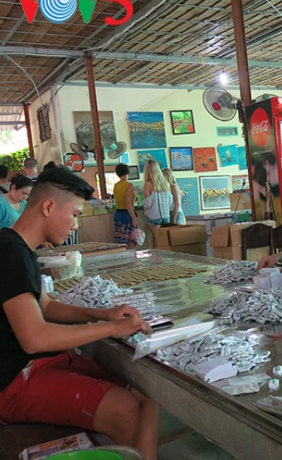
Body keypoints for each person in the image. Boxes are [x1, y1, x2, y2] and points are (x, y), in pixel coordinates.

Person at [0, 168, 159, 459]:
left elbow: (46, 306)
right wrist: (111, 329)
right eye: (74, 214)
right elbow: (35, 338)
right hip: (14, 380)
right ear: (48, 207)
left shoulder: (21, 249)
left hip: (40, 364)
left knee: (148, 394)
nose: (75, 225)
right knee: (124, 409)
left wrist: (103, 314)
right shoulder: (9, 253)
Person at [143, 160, 172, 248]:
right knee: (165, 240)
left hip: (154, 216)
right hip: (166, 216)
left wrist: (145, 209)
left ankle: (156, 256)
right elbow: (170, 201)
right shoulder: (165, 183)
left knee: (156, 240)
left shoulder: (147, 185)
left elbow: (148, 203)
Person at [113, 163, 138, 248]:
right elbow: (128, 203)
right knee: (131, 240)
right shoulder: (129, 185)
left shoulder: (116, 185)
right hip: (128, 214)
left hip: (118, 214)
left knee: (121, 241)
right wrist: (134, 218)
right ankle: (132, 256)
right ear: (128, 172)